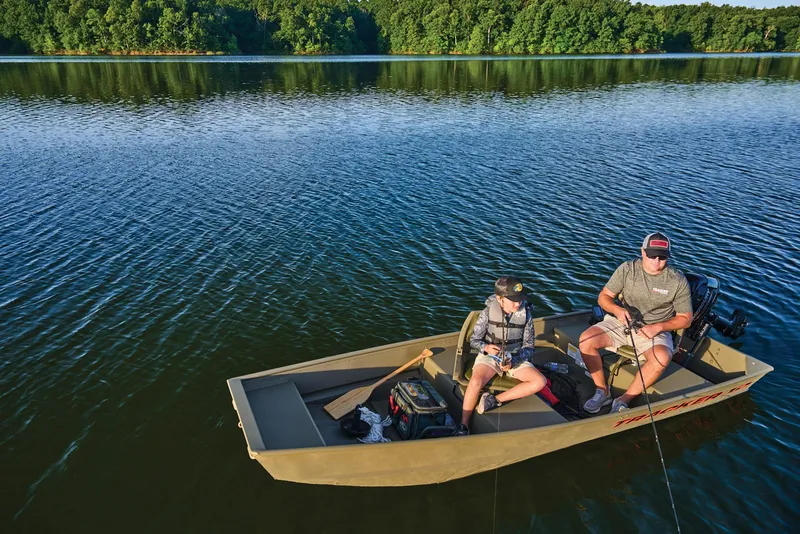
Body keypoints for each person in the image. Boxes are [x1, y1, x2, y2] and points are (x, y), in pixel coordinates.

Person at [579, 232, 693, 414]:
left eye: (662, 257)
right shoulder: (627, 269)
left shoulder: (677, 281)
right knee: (586, 341)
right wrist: (616, 309)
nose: (656, 261)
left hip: (656, 330)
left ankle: (624, 400)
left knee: (661, 358)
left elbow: (686, 319)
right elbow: (604, 297)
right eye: (652, 255)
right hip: (621, 323)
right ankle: (602, 391)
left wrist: (658, 327)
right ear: (642, 252)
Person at [455, 276, 547, 435]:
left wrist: (515, 360)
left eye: (519, 299)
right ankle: (464, 425)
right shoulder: (487, 312)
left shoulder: (526, 315)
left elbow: (529, 347)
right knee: (476, 381)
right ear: (499, 298)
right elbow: (474, 340)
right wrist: (486, 347)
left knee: (540, 381)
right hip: (491, 356)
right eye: (513, 300)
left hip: (515, 356)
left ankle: (494, 400)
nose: (517, 304)